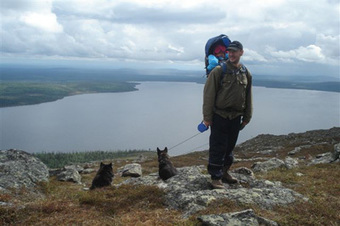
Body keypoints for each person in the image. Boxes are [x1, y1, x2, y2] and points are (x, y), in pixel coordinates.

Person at [202, 40, 253, 189]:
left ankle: (224, 172)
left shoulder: (245, 72)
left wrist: (247, 116)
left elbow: (248, 95)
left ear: (241, 53)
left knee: (229, 147)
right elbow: (208, 96)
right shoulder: (219, 71)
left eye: (234, 51)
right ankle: (215, 177)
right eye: (229, 51)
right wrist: (207, 118)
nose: (230, 54)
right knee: (218, 147)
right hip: (220, 116)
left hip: (236, 117)